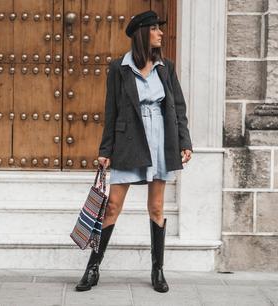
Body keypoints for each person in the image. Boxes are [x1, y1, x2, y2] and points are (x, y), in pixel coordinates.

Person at [75, 10, 192, 293]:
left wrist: (184, 142)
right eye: (155, 29)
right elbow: (111, 110)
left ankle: (157, 270)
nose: (160, 33)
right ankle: (92, 267)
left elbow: (177, 106)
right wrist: (106, 149)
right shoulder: (119, 68)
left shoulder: (166, 66)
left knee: (156, 207)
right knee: (113, 205)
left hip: (161, 139)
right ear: (142, 33)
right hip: (129, 139)